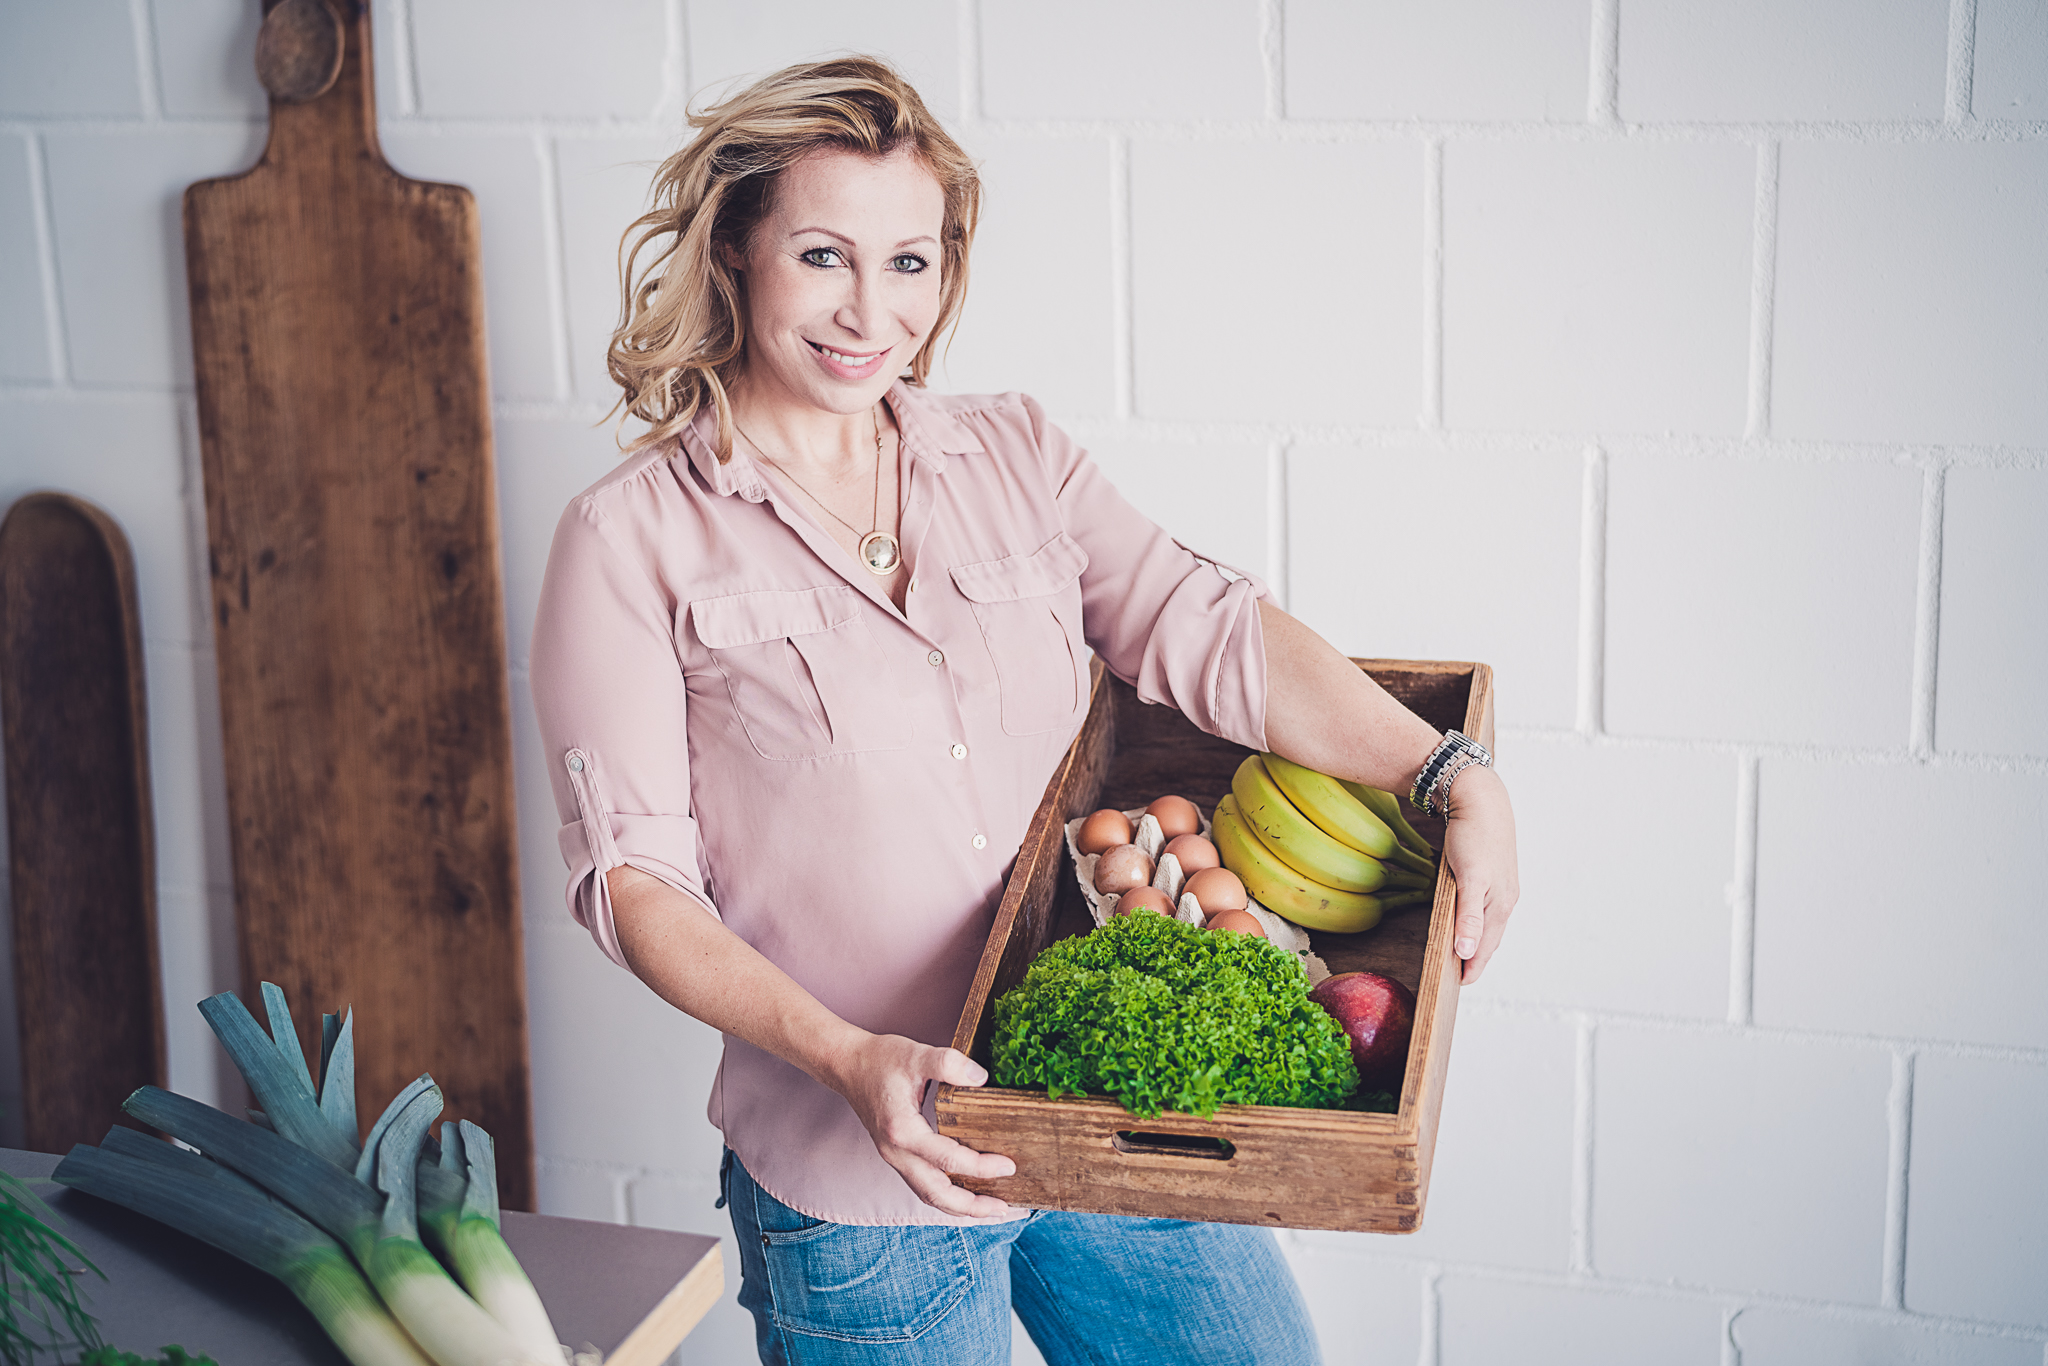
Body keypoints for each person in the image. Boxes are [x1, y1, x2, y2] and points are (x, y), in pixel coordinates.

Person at [531, 56, 1519, 1366]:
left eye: (911, 260)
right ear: (737, 252)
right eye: (823, 255)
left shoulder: (1013, 454)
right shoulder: (630, 539)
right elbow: (633, 882)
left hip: (1108, 1101)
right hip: (864, 1186)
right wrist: (846, 1058)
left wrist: (1447, 769)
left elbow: (1206, 625)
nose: (868, 311)